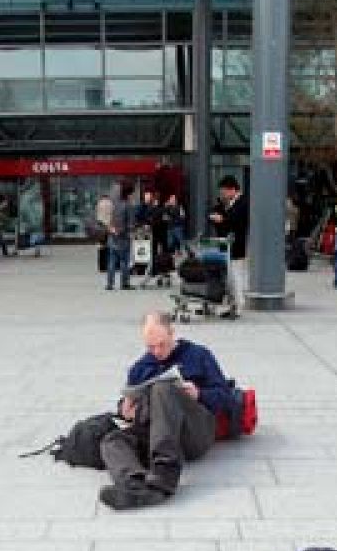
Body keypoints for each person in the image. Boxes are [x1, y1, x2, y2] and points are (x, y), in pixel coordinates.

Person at [98, 311, 234, 510]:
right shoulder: (140, 367)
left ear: (172, 333)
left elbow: (225, 398)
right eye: (151, 347)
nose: (157, 351)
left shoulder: (198, 354)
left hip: (194, 433)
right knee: (112, 440)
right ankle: (133, 485)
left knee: (163, 388)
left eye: (162, 344)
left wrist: (199, 394)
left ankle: (165, 474)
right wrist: (125, 409)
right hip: (155, 432)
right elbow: (129, 398)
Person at [209, 175, 248, 318]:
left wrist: (222, 219)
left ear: (232, 190)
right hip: (227, 247)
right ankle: (232, 305)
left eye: (224, 192)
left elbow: (237, 222)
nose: (222, 195)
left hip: (237, 247)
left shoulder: (242, 203)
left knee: (236, 278)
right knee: (230, 279)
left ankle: (238, 306)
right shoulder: (228, 203)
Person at [106, 183, 135, 292]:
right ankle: (124, 283)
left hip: (112, 237)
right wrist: (130, 231)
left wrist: (113, 230)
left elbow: (111, 219)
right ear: (129, 194)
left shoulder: (115, 204)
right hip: (123, 238)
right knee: (124, 261)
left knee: (112, 261)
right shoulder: (128, 205)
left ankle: (110, 284)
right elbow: (130, 224)